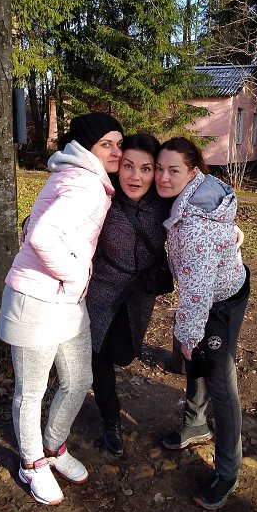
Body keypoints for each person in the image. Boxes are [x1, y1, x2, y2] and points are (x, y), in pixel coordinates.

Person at [0, 112, 123, 505]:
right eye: (106, 144)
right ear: (86, 148)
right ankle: (32, 463)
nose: (116, 152)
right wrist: (76, 277)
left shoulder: (84, 178)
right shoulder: (85, 184)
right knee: (31, 391)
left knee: (78, 378)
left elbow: (35, 224)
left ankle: (53, 447)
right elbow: (42, 236)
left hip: (66, 301)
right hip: (36, 300)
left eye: (119, 143)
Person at [155, 137, 250, 511]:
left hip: (222, 300)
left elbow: (197, 291)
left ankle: (228, 471)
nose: (163, 177)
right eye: (159, 169)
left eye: (173, 170)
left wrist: (188, 335)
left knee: (220, 381)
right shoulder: (191, 196)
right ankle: (195, 423)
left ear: (193, 171)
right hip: (206, 291)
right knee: (193, 356)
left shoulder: (195, 224)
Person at [86, 133, 171, 456]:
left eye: (145, 169)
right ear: (117, 167)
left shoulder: (165, 202)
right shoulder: (100, 194)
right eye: (128, 166)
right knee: (98, 354)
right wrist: (31, 222)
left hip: (138, 293)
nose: (135, 177)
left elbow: (201, 204)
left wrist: (228, 226)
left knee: (122, 354)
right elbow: (60, 211)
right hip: (100, 288)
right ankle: (111, 417)